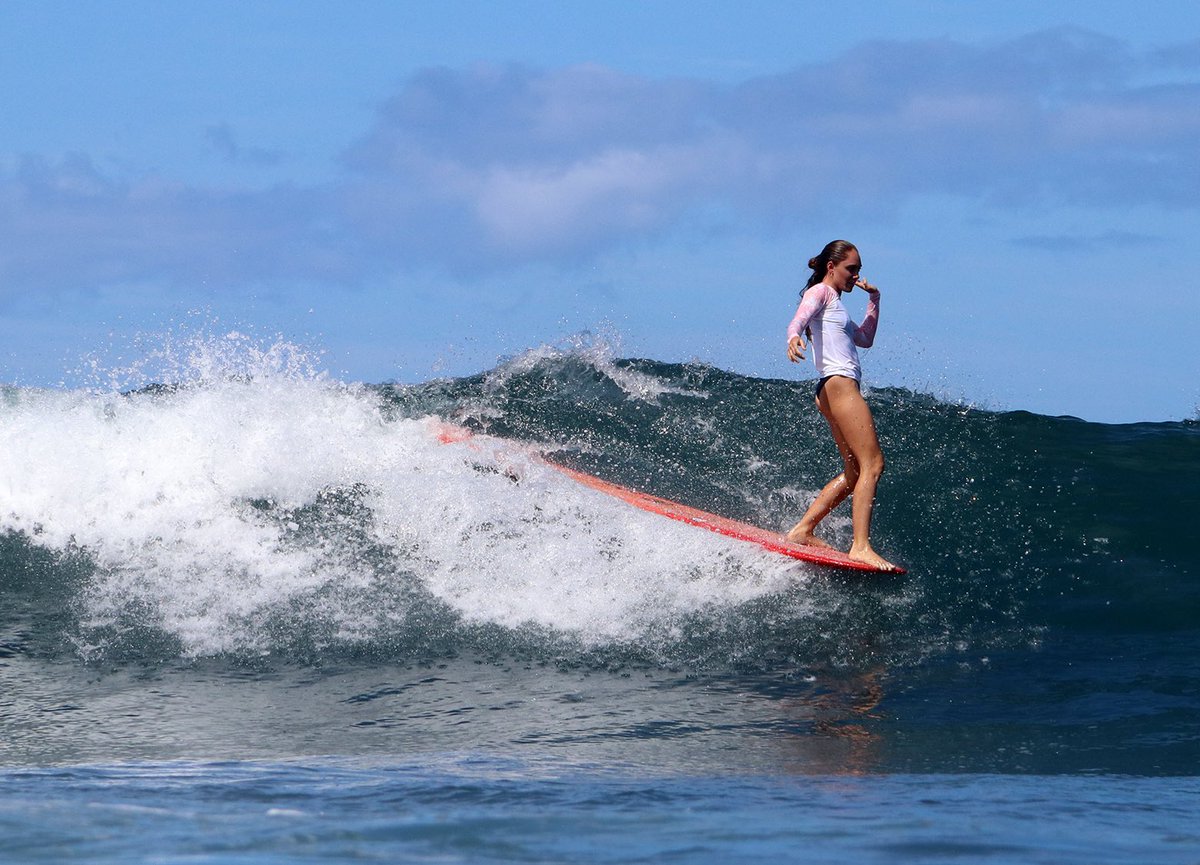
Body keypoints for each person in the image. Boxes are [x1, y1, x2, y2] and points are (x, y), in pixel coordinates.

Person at [785, 239, 899, 572]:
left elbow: (865, 339)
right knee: (873, 464)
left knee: (853, 474)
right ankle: (860, 546)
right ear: (831, 266)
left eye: (859, 270)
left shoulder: (836, 306)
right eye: (851, 269)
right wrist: (793, 338)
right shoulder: (820, 292)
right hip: (840, 386)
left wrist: (874, 300)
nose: (856, 275)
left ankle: (803, 529)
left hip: (829, 389)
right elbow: (798, 319)